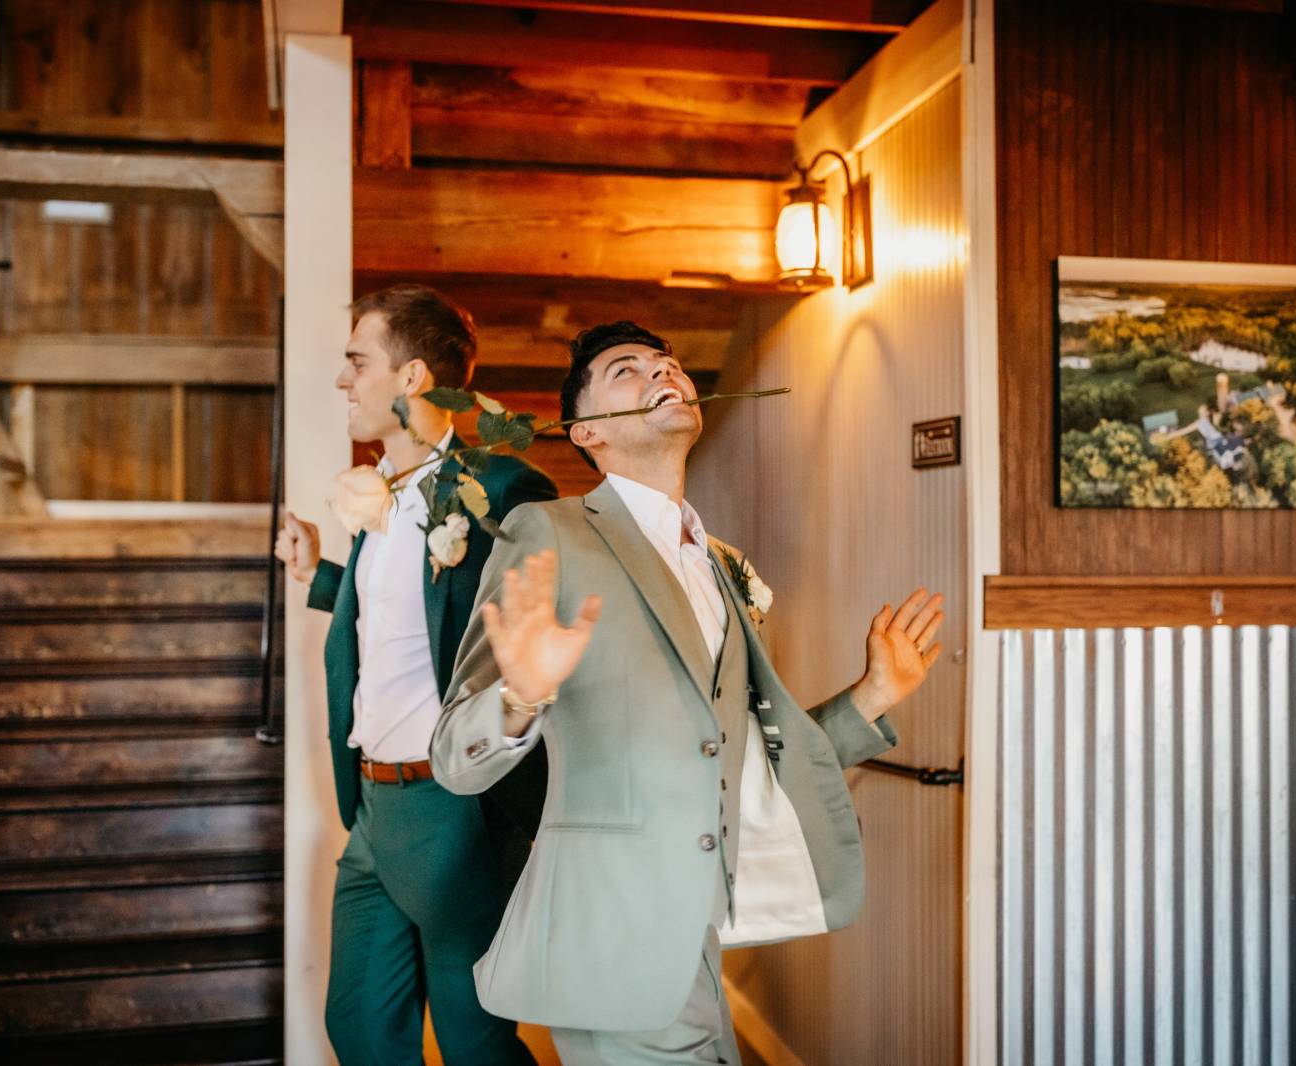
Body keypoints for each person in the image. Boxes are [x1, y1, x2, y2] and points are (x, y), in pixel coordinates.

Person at [429, 321, 945, 1064]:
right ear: (587, 432)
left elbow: (740, 756)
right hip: (608, 934)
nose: (662, 372)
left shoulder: (723, 563)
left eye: (667, 363)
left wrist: (871, 696)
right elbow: (454, 756)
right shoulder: (547, 531)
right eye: (626, 369)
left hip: (698, 932)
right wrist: (519, 696)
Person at [275, 285, 552, 1065]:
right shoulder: (378, 498)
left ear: (412, 377)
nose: (343, 379)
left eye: (357, 361)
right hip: (371, 806)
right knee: (360, 1027)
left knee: (474, 1042)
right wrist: (320, 574)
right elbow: (401, 622)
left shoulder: (501, 493)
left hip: (451, 809)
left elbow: (512, 631)